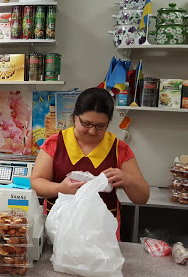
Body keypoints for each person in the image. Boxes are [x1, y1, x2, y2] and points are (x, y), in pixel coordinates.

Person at [31, 87, 149, 239]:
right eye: (86, 124)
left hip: (102, 235)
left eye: (100, 126)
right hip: (59, 231)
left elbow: (142, 198)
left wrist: (128, 180)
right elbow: (37, 183)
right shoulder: (55, 143)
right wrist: (61, 188)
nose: (92, 131)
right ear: (75, 117)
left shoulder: (119, 149)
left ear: (109, 122)